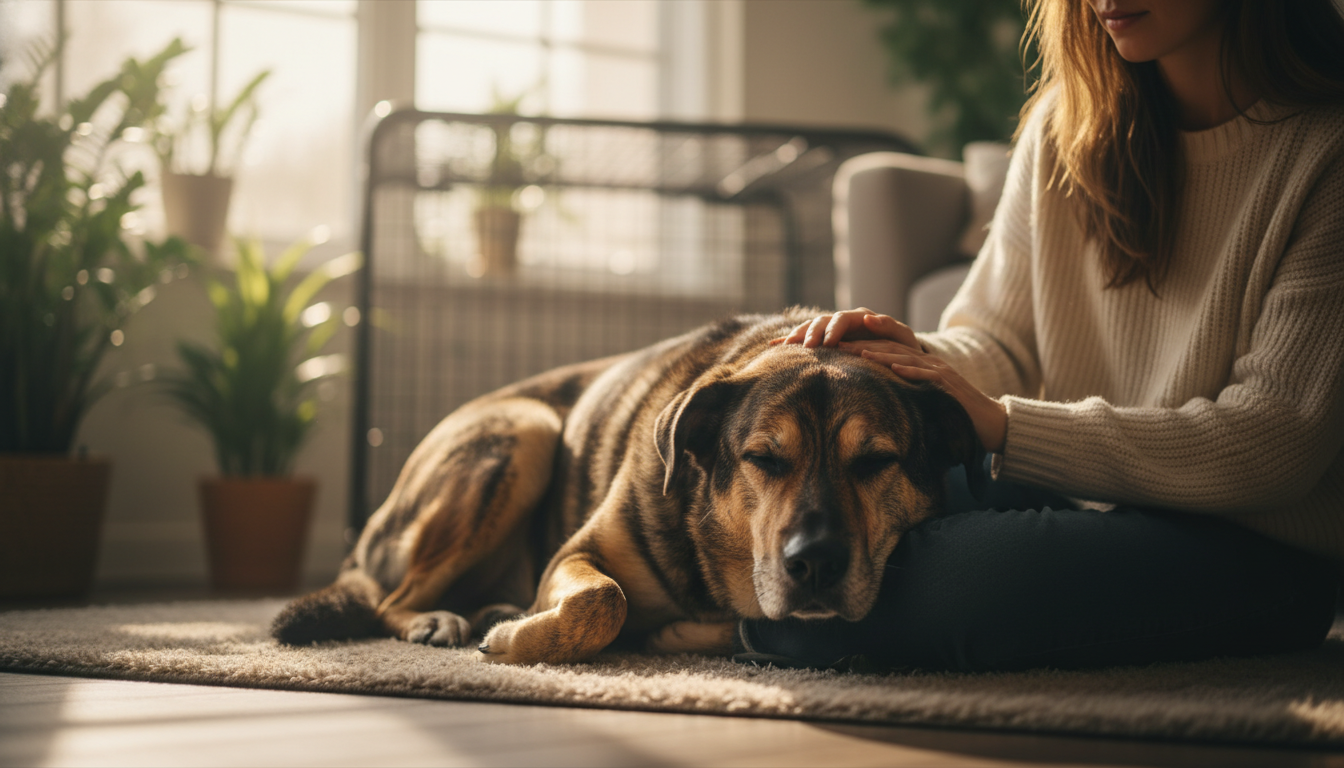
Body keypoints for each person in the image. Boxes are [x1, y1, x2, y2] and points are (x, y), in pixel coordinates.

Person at [736, 0, 1344, 672]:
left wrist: (1004, 428)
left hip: (1256, 545)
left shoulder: (1327, 150)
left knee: (933, 588)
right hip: (1089, 491)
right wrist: (910, 362)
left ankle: (740, 617)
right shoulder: (1069, 124)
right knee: (830, 512)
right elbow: (999, 343)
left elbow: (1276, 440)